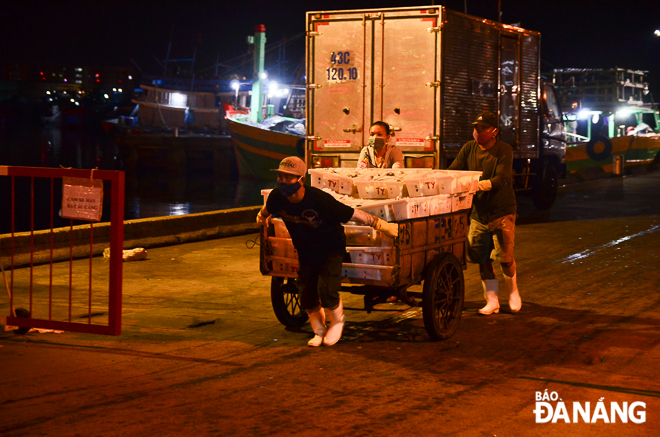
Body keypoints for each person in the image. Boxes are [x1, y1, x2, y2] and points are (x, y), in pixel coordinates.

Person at [257, 156, 399, 346]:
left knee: (326, 290)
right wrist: (261, 217)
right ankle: (318, 329)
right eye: (280, 177)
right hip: (306, 251)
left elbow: (351, 214)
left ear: (301, 179)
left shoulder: (318, 199)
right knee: (306, 292)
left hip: (330, 248)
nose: (283, 181)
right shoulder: (277, 197)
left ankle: (337, 321)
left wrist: (378, 223)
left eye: (288, 178)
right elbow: (266, 210)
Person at [447, 111, 521, 315]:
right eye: (475, 128)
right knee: (482, 258)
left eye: (482, 129)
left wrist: (477, 185)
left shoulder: (503, 150)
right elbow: (454, 171)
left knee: (505, 257)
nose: (477, 132)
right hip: (478, 214)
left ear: (494, 131)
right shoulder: (469, 148)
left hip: (501, 212)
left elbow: (502, 179)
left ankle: (513, 291)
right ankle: (492, 300)